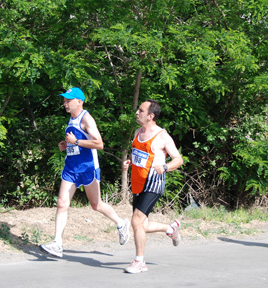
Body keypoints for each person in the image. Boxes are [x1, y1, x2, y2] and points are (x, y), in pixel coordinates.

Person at [39, 87, 130, 258]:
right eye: (64, 100)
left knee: (96, 205)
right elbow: (76, 142)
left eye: (68, 100)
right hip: (71, 168)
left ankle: (121, 223)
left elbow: (99, 144)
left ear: (79, 102)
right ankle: (57, 243)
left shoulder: (86, 119)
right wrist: (67, 145)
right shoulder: (71, 119)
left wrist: (76, 141)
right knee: (61, 203)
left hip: (88, 168)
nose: (65, 103)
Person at [122, 99, 184, 273]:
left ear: (151, 116)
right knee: (143, 225)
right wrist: (130, 161)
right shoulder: (137, 132)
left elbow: (178, 160)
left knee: (136, 221)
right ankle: (170, 228)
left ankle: (139, 261)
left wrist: (165, 167)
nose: (136, 113)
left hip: (153, 184)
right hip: (138, 183)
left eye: (140, 111)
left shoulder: (162, 136)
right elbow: (138, 155)